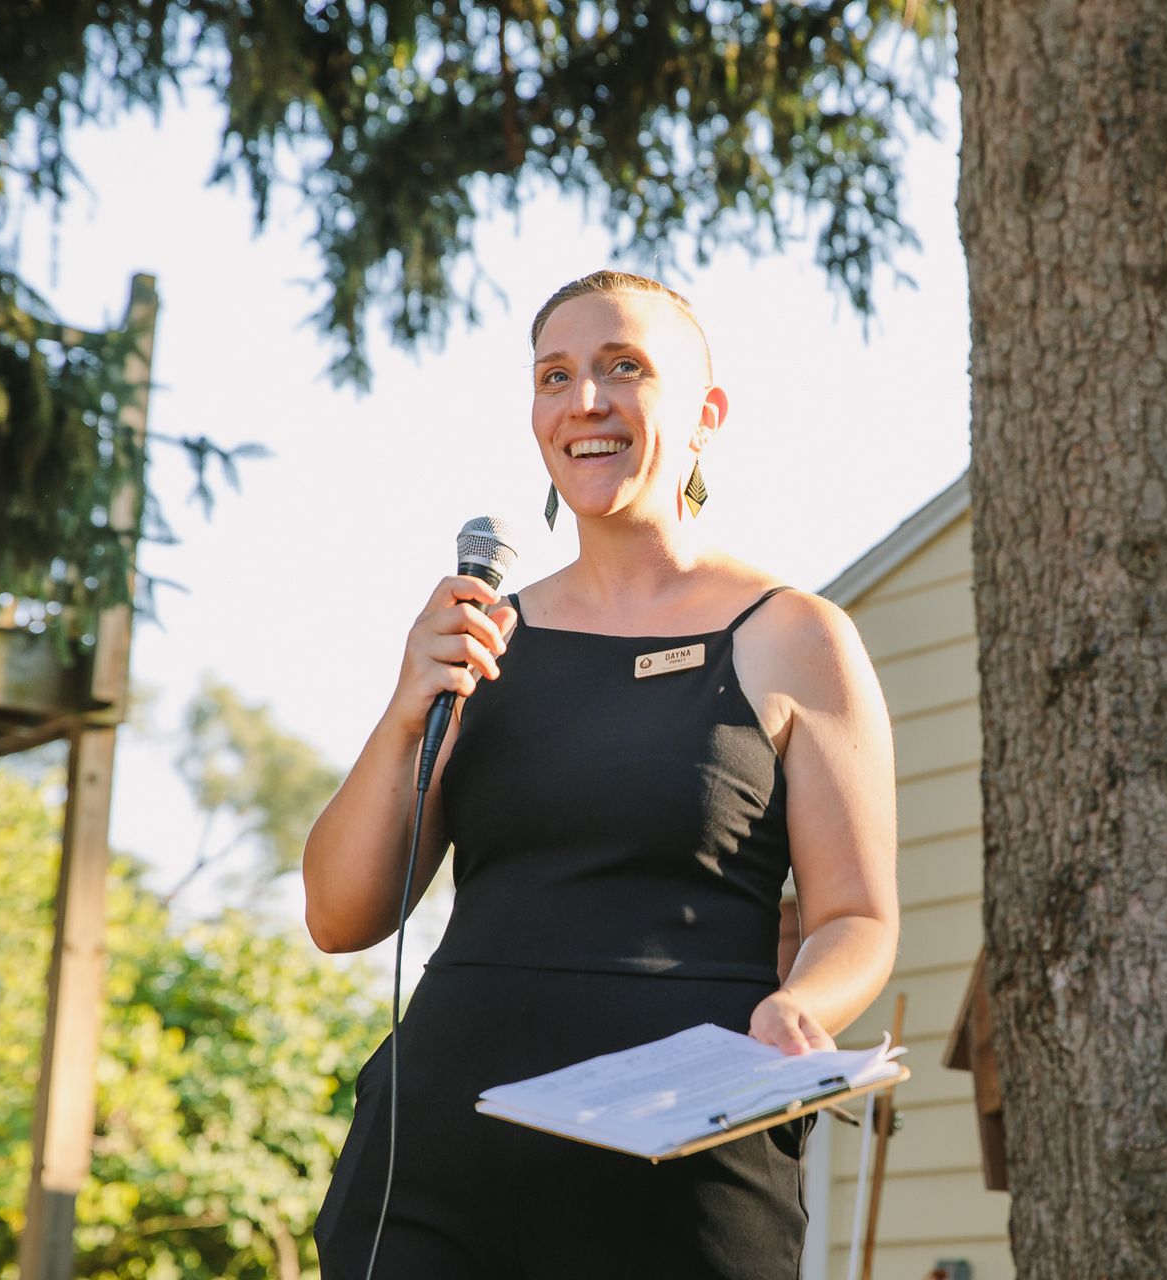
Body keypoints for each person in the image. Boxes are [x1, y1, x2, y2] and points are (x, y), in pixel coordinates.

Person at [304, 270, 900, 1278]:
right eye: (555, 375)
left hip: (684, 1167)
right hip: (440, 1160)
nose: (585, 401)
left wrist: (806, 1004)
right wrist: (410, 703)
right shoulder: (480, 639)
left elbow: (858, 917)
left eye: (624, 368)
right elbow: (338, 913)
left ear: (706, 413)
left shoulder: (797, 637)